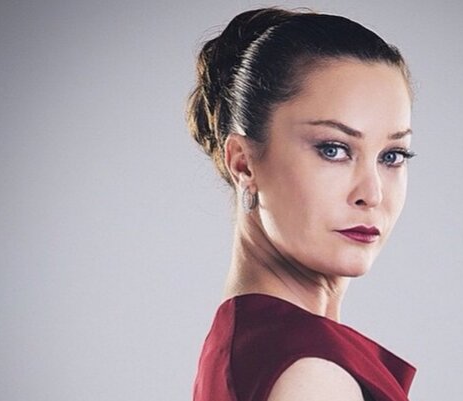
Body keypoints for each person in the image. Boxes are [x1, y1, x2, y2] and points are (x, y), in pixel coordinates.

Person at [186, 7, 417, 401]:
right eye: (333, 149)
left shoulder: (250, 345)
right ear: (243, 163)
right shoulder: (309, 373)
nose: (372, 193)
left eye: (392, 156)